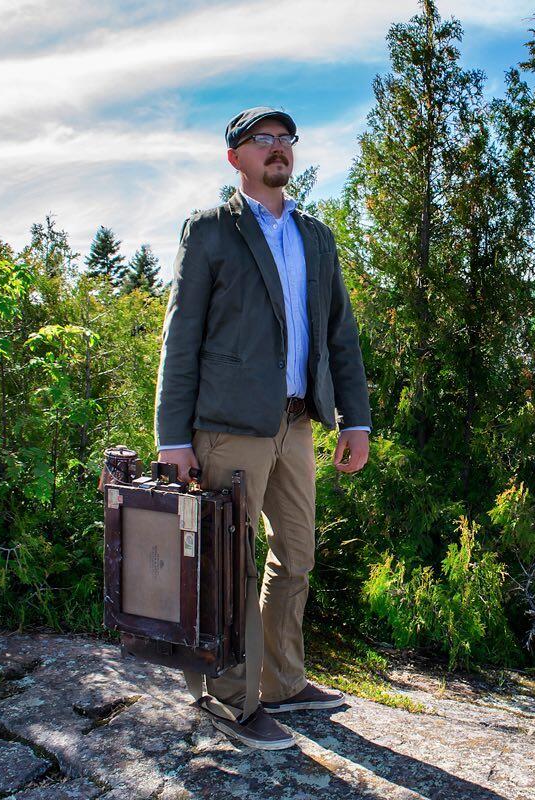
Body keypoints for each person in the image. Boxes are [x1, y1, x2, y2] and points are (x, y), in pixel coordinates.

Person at [153, 106, 372, 750]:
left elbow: (340, 337)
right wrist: (172, 437)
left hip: (298, 421)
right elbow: (180, 338)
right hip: (228, 428)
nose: (278, 149)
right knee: (229, 564)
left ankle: (281, 679)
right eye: (262, 140)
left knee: (297, 554)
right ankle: (229, 698)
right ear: (236, 158)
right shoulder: (211, 232)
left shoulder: (317, 237)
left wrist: (354, 419)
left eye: (285, 140)